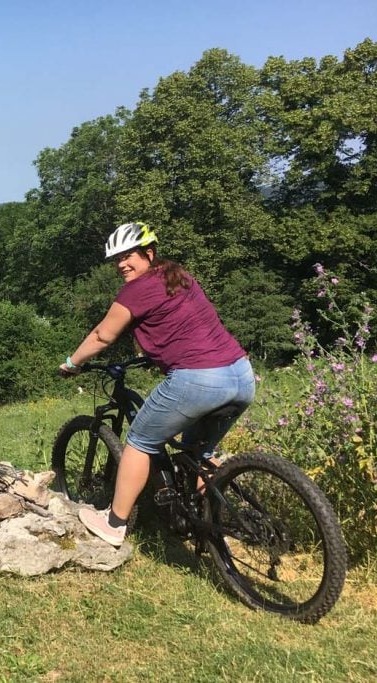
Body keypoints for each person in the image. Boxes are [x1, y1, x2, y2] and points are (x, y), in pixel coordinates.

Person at [59, 221, 255, 546]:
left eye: (128, 255)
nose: (122, 263)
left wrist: (71, 363)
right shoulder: (181, 277)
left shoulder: (136, 289)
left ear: (149, 253)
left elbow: (102, 335)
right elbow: (184, 326)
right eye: (117, 259)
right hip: (241, 375)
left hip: (200, 378)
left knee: (139, 441)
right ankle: (212, 520)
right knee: (199, 452)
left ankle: (114, 524)